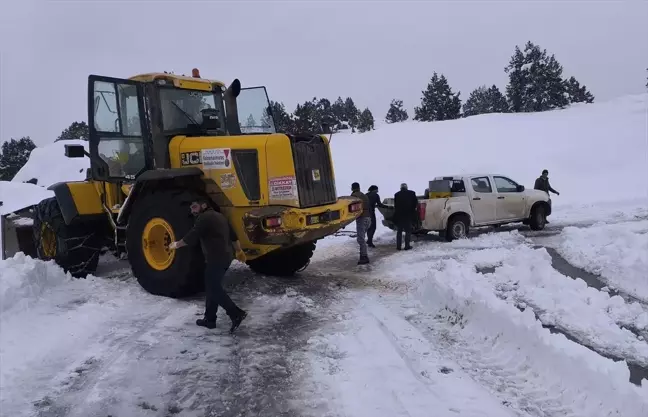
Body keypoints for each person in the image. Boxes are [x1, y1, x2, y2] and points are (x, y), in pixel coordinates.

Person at [168, 198, 248, 333]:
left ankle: (235, 313)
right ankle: (209, 319)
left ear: (203, 205)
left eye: (194, 207)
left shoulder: (204, 218)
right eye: (191, 208)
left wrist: (176, 245)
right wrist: (239, 250)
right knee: (212, 287)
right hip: (226, 257)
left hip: (216, 258)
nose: (192, 210)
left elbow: (192, 236)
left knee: (213, 288)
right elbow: (233, 236)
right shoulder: (220, 216)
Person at [351, 182, 372, 265]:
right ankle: (363, 255)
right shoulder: (364, 195)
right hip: (368, 218)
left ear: (352, 188)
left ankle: (364, 257)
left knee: (361, 239)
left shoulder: (354, 196)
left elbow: (351, 209)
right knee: (362, 237)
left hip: (362, 219)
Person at [393, 183, 418, 250]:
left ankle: (398, 246)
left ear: (400, 188)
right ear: (406, 187)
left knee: (399, 231)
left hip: (399, 215)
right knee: (408, 231)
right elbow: (415, 204)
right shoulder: (412, 193)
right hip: (408, 215)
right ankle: (407, 246)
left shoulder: (396, 194)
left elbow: (396, 206)